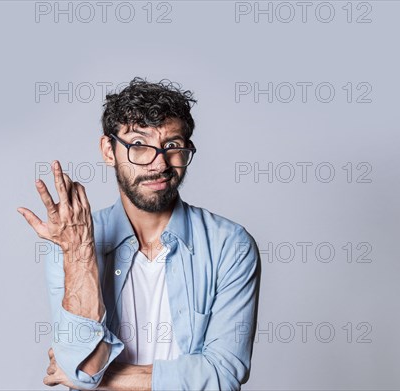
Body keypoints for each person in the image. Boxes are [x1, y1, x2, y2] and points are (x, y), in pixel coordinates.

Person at [17, 77, 261, 391]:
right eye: (138, 145)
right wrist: (79, 255)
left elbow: (223, 376)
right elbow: (85, 364)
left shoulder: (229, 245)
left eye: (172, 146)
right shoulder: (71, 243)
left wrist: (99, 380)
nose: (158, 164)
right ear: (109, 150)